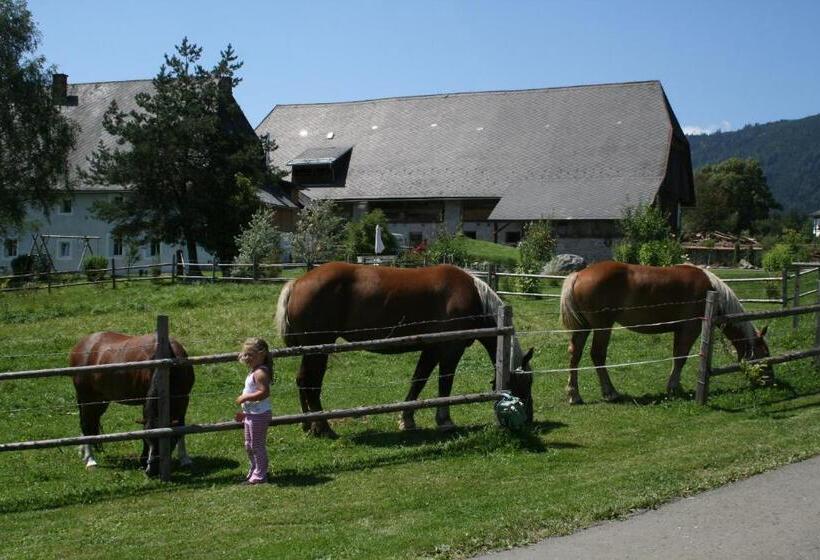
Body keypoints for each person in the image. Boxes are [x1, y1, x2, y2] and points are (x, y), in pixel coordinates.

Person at [235, 337, 273, 485]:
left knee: (257, 445)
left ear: (262, 354)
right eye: (245, 354)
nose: (247, 357)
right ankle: (255, 470)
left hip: (259, 415)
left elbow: (264, 393)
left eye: (250, 354)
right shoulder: (254, 371)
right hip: (251, 415)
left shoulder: (260, 373)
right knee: (249, 445)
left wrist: (245, 398)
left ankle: (260, 475)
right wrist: (245, 413)